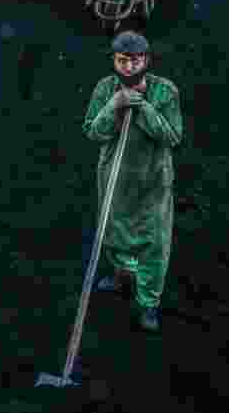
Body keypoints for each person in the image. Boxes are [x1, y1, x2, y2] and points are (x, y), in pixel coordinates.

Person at [82, 31, 183, 333]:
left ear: (146, 60)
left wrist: (142, 106)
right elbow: (92, 132)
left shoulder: (165, 91)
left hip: (153, 180)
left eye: (135, 60)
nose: (128, 67)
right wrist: (115, 104)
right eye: (122, 60)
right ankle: (122, 275)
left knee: (153, 241)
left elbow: (172, 136)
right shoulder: (105, 88)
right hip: (115, 175)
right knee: (113, 230)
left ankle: (149, 302)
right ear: (114, 60)